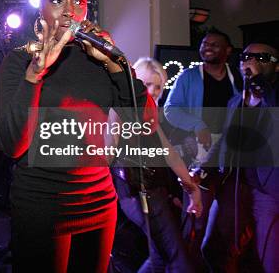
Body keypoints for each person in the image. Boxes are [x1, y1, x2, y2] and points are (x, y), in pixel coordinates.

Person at [0, 0, 150, 272]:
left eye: (79, 2)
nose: (69, 10)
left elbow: (145, 121)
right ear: (40, 8)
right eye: (57, 0)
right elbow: (12, 144)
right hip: (41, 203)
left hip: (99, 200)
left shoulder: (99, 60)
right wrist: (34, 75)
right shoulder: (20, 60)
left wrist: (114, 63)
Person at [112, 57, 203, 272]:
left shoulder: (150, 115)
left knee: (160, 257)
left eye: (158, 86)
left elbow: (169, 154)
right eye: (147, 84)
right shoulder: (119, 110)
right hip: (136, 192)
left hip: (154, 191)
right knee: (176, 257)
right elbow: (107, 153)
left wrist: (192, 188)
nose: (153, 91)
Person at [163, 29, 240, 268]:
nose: (207, 47)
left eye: (215, 44)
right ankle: (184, 265)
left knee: (227, 224)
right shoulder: (188, 77)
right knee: (196, 219)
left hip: (229, 160)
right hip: (199, 156)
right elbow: (170, 109)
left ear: (228, 51)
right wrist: (197, 124)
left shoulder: (237, 77)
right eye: (205, 43)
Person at [201, 41, 279, 272]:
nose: (250, 61)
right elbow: (226, 139)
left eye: (261, 58)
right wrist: (204, 166)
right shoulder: (235, 101)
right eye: (246, 57)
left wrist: (264, 88)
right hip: (233, 188)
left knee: (269, 259)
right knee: (212, 249)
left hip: (267, 192)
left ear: (277, 67)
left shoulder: (274, 100)